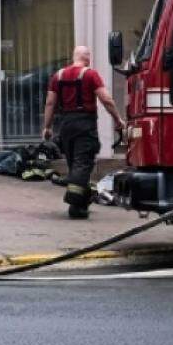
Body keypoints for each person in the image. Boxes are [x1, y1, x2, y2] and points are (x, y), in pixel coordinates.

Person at [40, 45, 126, 220]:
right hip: (84, 124)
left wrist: (47, 127)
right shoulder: (90, 74)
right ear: (87, 58)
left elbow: (50, 103)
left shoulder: (58, 76)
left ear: (74, 57)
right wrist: (118, 120)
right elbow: (106, 99)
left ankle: (80, 203)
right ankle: (75, 204)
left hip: (65, 125)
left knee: (75, 164)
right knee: (82, 163)